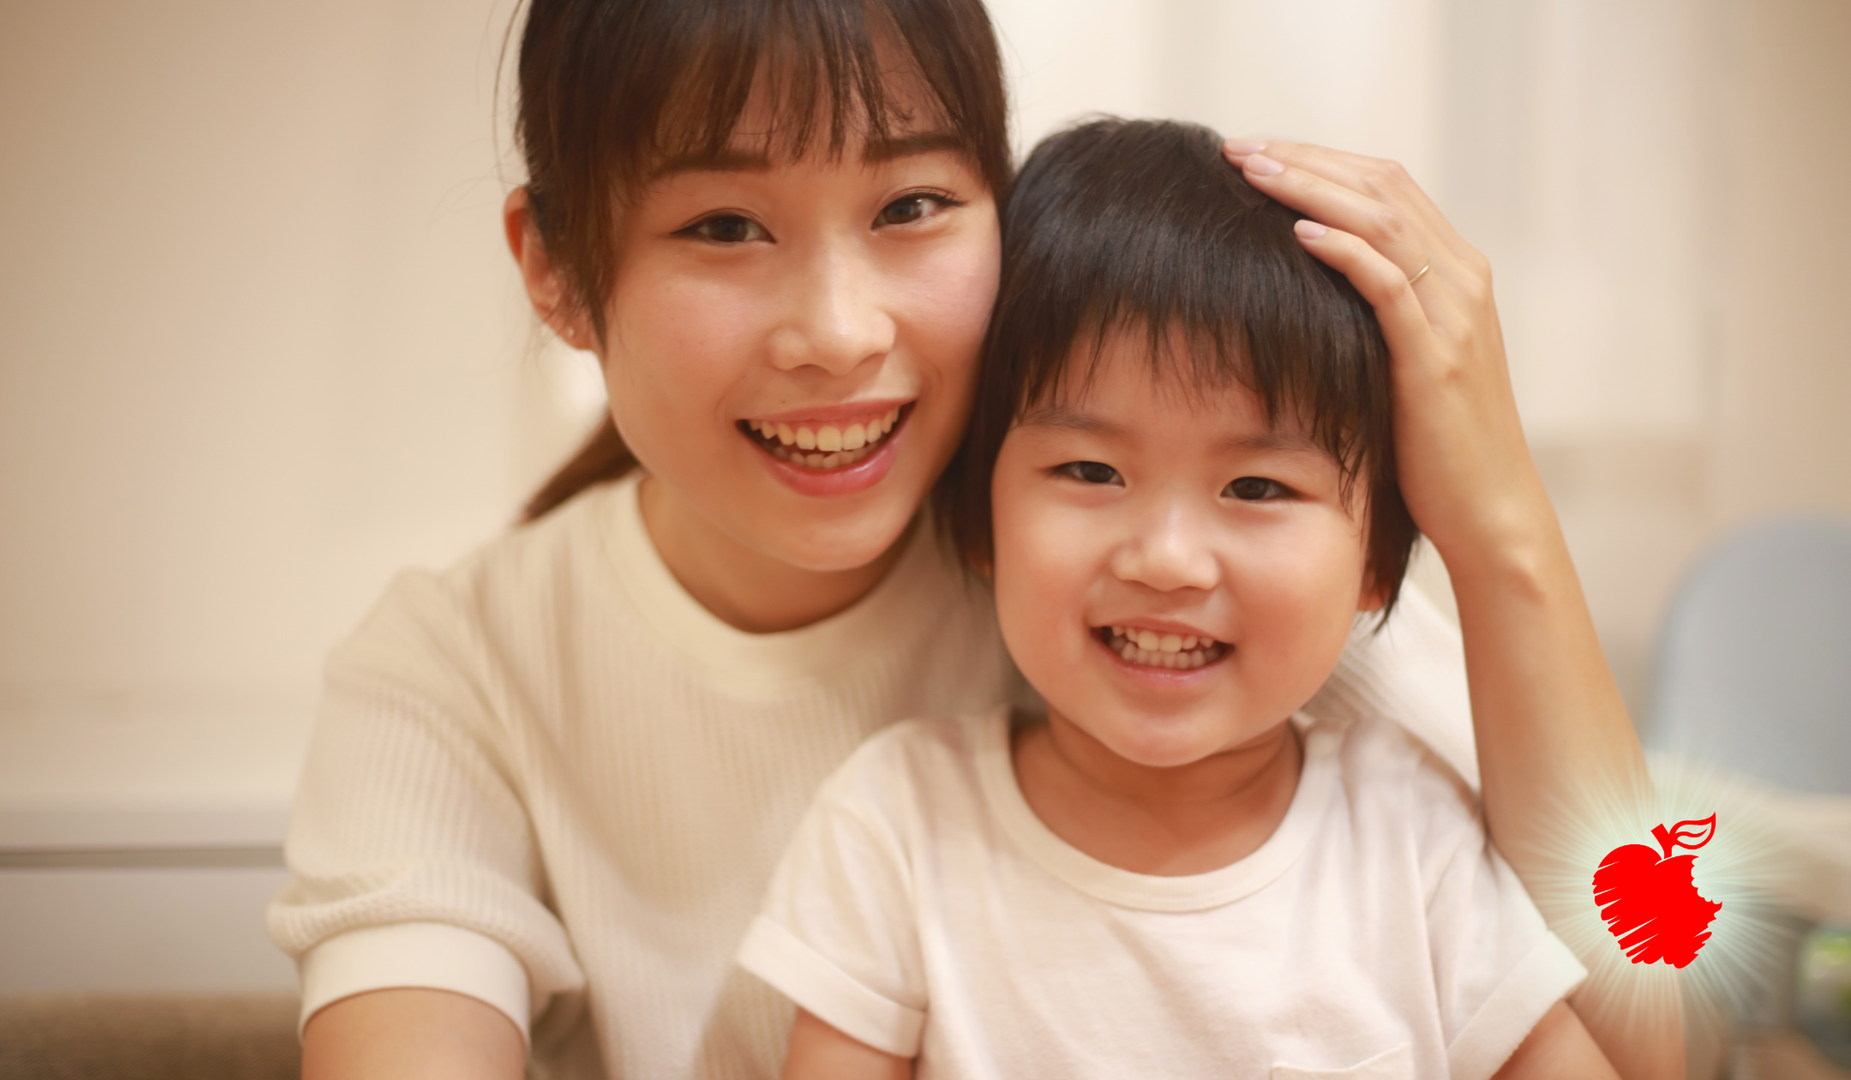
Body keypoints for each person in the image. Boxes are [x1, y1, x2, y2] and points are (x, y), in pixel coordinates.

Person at [270, 1, 1672, 1078]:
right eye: (725, 225)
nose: (839, 332)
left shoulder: (1195, 584)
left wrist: (1501, 528)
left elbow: (1660, 1019)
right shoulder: (456, 672)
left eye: (912, 206)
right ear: (557, 270)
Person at [738, 117, 1617, 1079]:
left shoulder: (1411, 834)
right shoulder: (899, 828)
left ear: (1377, 560)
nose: (1167, 561)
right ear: (980, 518)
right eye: (1090, 470)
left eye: (1257, 487)